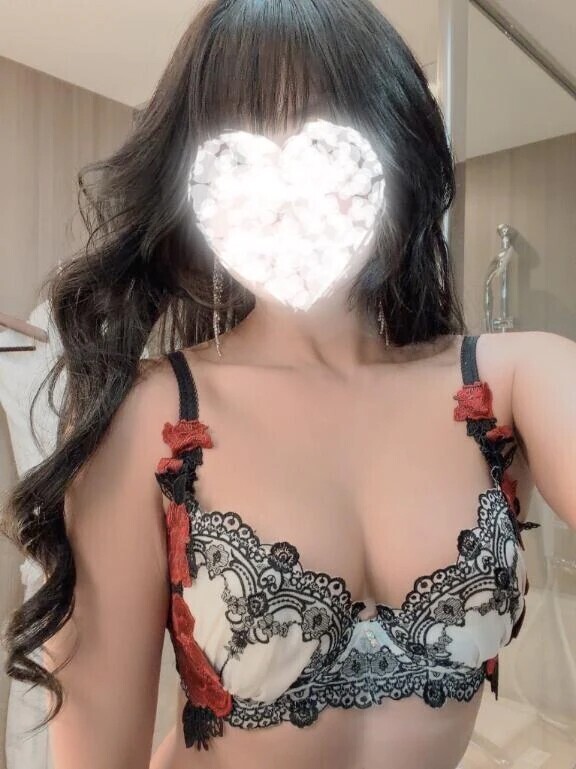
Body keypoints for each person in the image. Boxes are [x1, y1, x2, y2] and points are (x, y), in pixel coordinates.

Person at [4, 1, 576, 768]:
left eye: (326, 144)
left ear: (398, 151)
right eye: (241, 159)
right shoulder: (145, 415)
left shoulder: (515, 382)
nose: (288, 196)